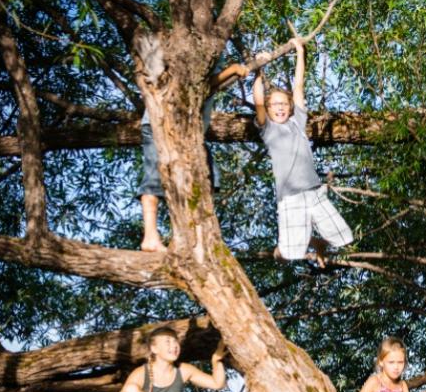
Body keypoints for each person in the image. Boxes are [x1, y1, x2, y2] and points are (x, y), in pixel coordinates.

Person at [253, 38, 354, 268]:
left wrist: (300, 51)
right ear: (269, 111)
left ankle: (317, 243)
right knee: (287, 253)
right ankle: (292, 245)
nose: (279, 108)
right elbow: (258, 101)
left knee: (343, 235)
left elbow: (298, 86)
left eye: (283, 104)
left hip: (314, 191)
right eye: (275, 105)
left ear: (290, 108)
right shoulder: (268, 129)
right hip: (290, 197)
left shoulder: (297, 122)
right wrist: (258, 69)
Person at [138, 63, 250, 251]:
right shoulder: (190, 44)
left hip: (191, 134)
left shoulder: (214, 51)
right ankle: (150, 237)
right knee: (154, 179)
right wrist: (232, 71)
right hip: (160, 123)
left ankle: (189, 237)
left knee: (208, 177)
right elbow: (195, 85)